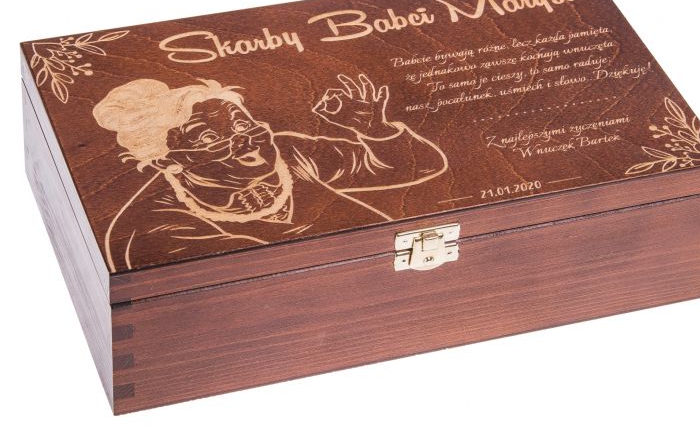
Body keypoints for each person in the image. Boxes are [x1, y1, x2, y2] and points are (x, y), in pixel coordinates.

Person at [93, 73, 448, 271]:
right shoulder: (149, 228)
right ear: (166, 162)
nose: (244, 140)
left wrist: (375, 130)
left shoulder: (289, 153)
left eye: (242, 124)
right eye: (210, 138)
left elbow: (419, 166)